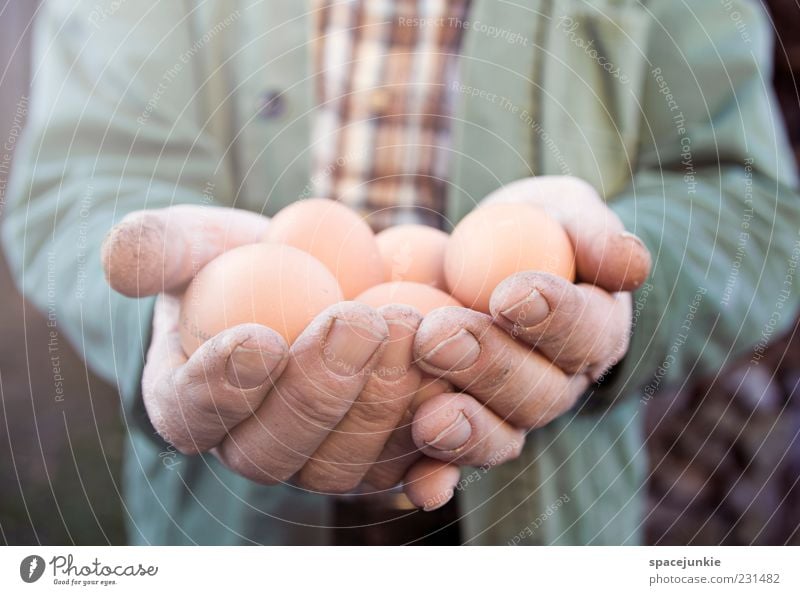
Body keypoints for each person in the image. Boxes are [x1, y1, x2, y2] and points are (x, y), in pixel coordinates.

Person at [3, 0, 798, 545]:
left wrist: (612, 285)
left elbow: (752, 202)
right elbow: (75, 179)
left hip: (546, 511)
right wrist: (177, 315)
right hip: (231, 526)